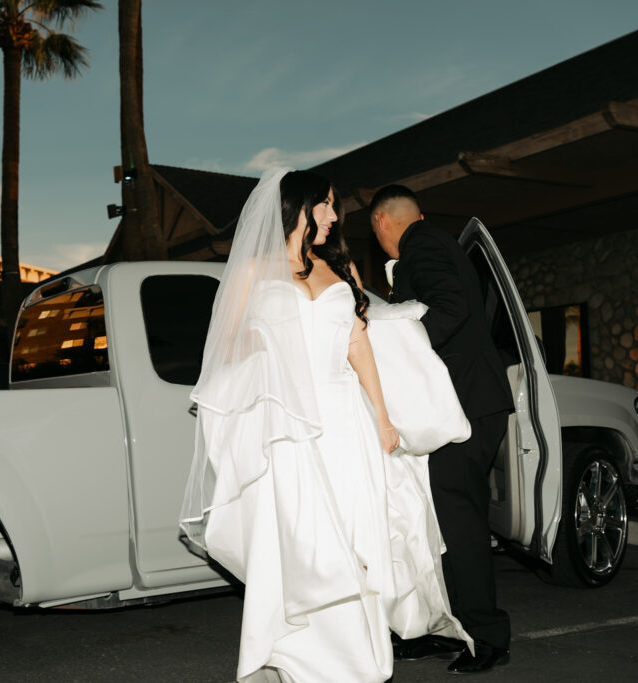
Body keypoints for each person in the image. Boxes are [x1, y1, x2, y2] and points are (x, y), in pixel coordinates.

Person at [180, 169, 470, 682]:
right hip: (289, 426)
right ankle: (295, 653)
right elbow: (232, 348)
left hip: (346, 421)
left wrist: (382, 417)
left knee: (357, 536)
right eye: (327, 205)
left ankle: (358, 656)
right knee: (303, 543)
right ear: (300, 206)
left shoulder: (339, 267)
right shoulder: (252, 271)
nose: (334, 216)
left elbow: (359, 344)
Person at [369, 185, 514, 674]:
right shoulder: (435, 242)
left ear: (381, 224)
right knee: (442, 519)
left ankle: (487, 637)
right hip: (465, 402)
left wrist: (399, 355)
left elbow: (448, 309)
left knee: (460, 519)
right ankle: (444, 627)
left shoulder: (423, 246)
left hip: (468, 405)